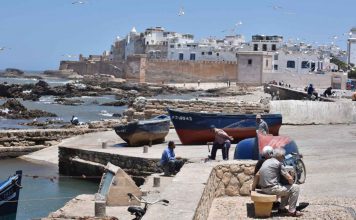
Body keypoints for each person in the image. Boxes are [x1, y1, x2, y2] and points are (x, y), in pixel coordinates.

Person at [258, 148, 303, 217]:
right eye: (283, 156)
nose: (284, 157)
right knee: (295, 187)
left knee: (286, 188)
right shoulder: (278, 163)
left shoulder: (267, 161)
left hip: (263, 188)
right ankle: (292, 211)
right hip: (271, 189)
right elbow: (289, 178)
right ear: (280, 156)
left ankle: (281, 208)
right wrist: (291, 182)